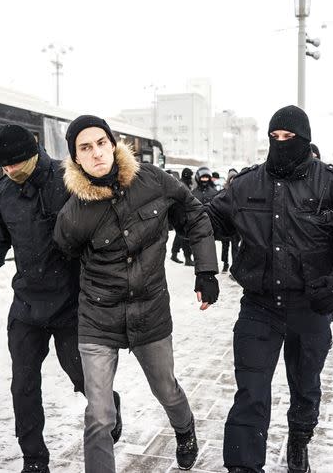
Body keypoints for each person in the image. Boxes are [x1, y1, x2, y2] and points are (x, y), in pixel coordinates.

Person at [206, 105, 333, 473]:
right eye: (275, 137)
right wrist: (179, 215)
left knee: (305, 387)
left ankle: (300, 438)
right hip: (260, 306)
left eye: (289, 138)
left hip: (311, 306)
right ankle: (242, 465)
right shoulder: (248, 184)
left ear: (305, 140)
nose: (281, 144)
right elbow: (209, 220)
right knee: (250, 392)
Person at [53, 115, 219, 472]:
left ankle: (184, 427)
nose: (96, 153)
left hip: (151, 311)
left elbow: (194, 213)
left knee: (166, 390)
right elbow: (65, 258)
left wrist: (206, 270)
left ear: (112, 144)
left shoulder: (152, 180)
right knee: (99, 415)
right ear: (76, 158)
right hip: (98, 318)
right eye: (85, 148)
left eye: (101, 143)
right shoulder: (72, 214)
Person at [0, 125, 119, 473]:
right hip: (26, 305)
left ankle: (110, 406)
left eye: (16, 164)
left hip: (70, 303)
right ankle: (34, 458)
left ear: (34, 153)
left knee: (82, 377)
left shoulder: (68, 180)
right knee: (23, 384)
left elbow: (99, 234)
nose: (10, 171)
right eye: (4, 166)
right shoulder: (5, 191)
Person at [170, 167, 195, 265]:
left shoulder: (182, 183)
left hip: (179, 213)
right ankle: (187, 258)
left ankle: (174, 254)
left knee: (180, 235)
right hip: (181, 213)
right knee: (184, 236)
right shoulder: (183, 184)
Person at [219, 169, 240, 272]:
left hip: (236, 225)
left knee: (235, 247)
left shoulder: (240, 190)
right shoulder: (224, 191)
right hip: (226, 223)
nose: (232, 180)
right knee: (225, 246)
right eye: (231, 178)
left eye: (234, 178)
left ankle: (235, 266)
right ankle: (225, 263)